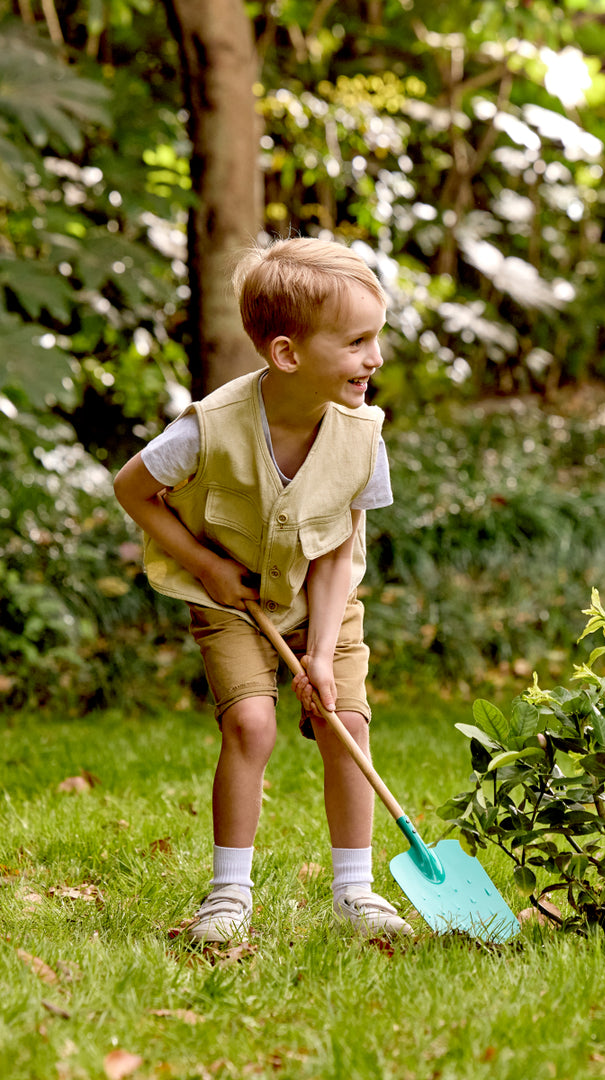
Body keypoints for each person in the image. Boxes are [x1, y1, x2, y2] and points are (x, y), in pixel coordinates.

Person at [113, 237, 412, 943]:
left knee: (348, 727)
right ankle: (227, 896)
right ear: (287, 355)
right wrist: (205, 565)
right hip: (231, 600)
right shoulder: (207, 428)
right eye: (357, 342)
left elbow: (341, 546)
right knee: (250, 724)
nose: (375, 359)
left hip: (322, 600)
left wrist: (320, 654)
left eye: (377, 339)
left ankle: (356, 892)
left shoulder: (363, 435)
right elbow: (133, 487)